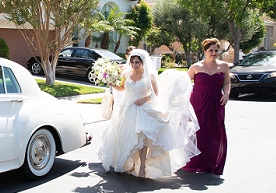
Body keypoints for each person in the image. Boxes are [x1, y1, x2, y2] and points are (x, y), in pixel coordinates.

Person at [98, 49, 200, 179]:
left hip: (143, 108)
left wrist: (144, 99)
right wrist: (112, 83)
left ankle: (142, 167)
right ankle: (133, 164)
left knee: (142, 137)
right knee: (129, 137)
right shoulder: (127, 75)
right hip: (128, 108)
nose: (135, 65)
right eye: (133, 62)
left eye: (137, 62)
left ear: (142, 62)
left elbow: (155, 93)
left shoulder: (149, 76)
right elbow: (123, 88)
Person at [181, 38, 229, 175]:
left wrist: (226, 94)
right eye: (211, 50)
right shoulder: (196, 67)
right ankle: (194, 162)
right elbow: (185, 82)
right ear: (205, 51)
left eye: (216, 50)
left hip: (216, 102)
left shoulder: (224, 66)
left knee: (214, 132)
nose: (213, 53)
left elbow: (226, 83)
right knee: (197, 131)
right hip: (198, 102)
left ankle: (210, 162)